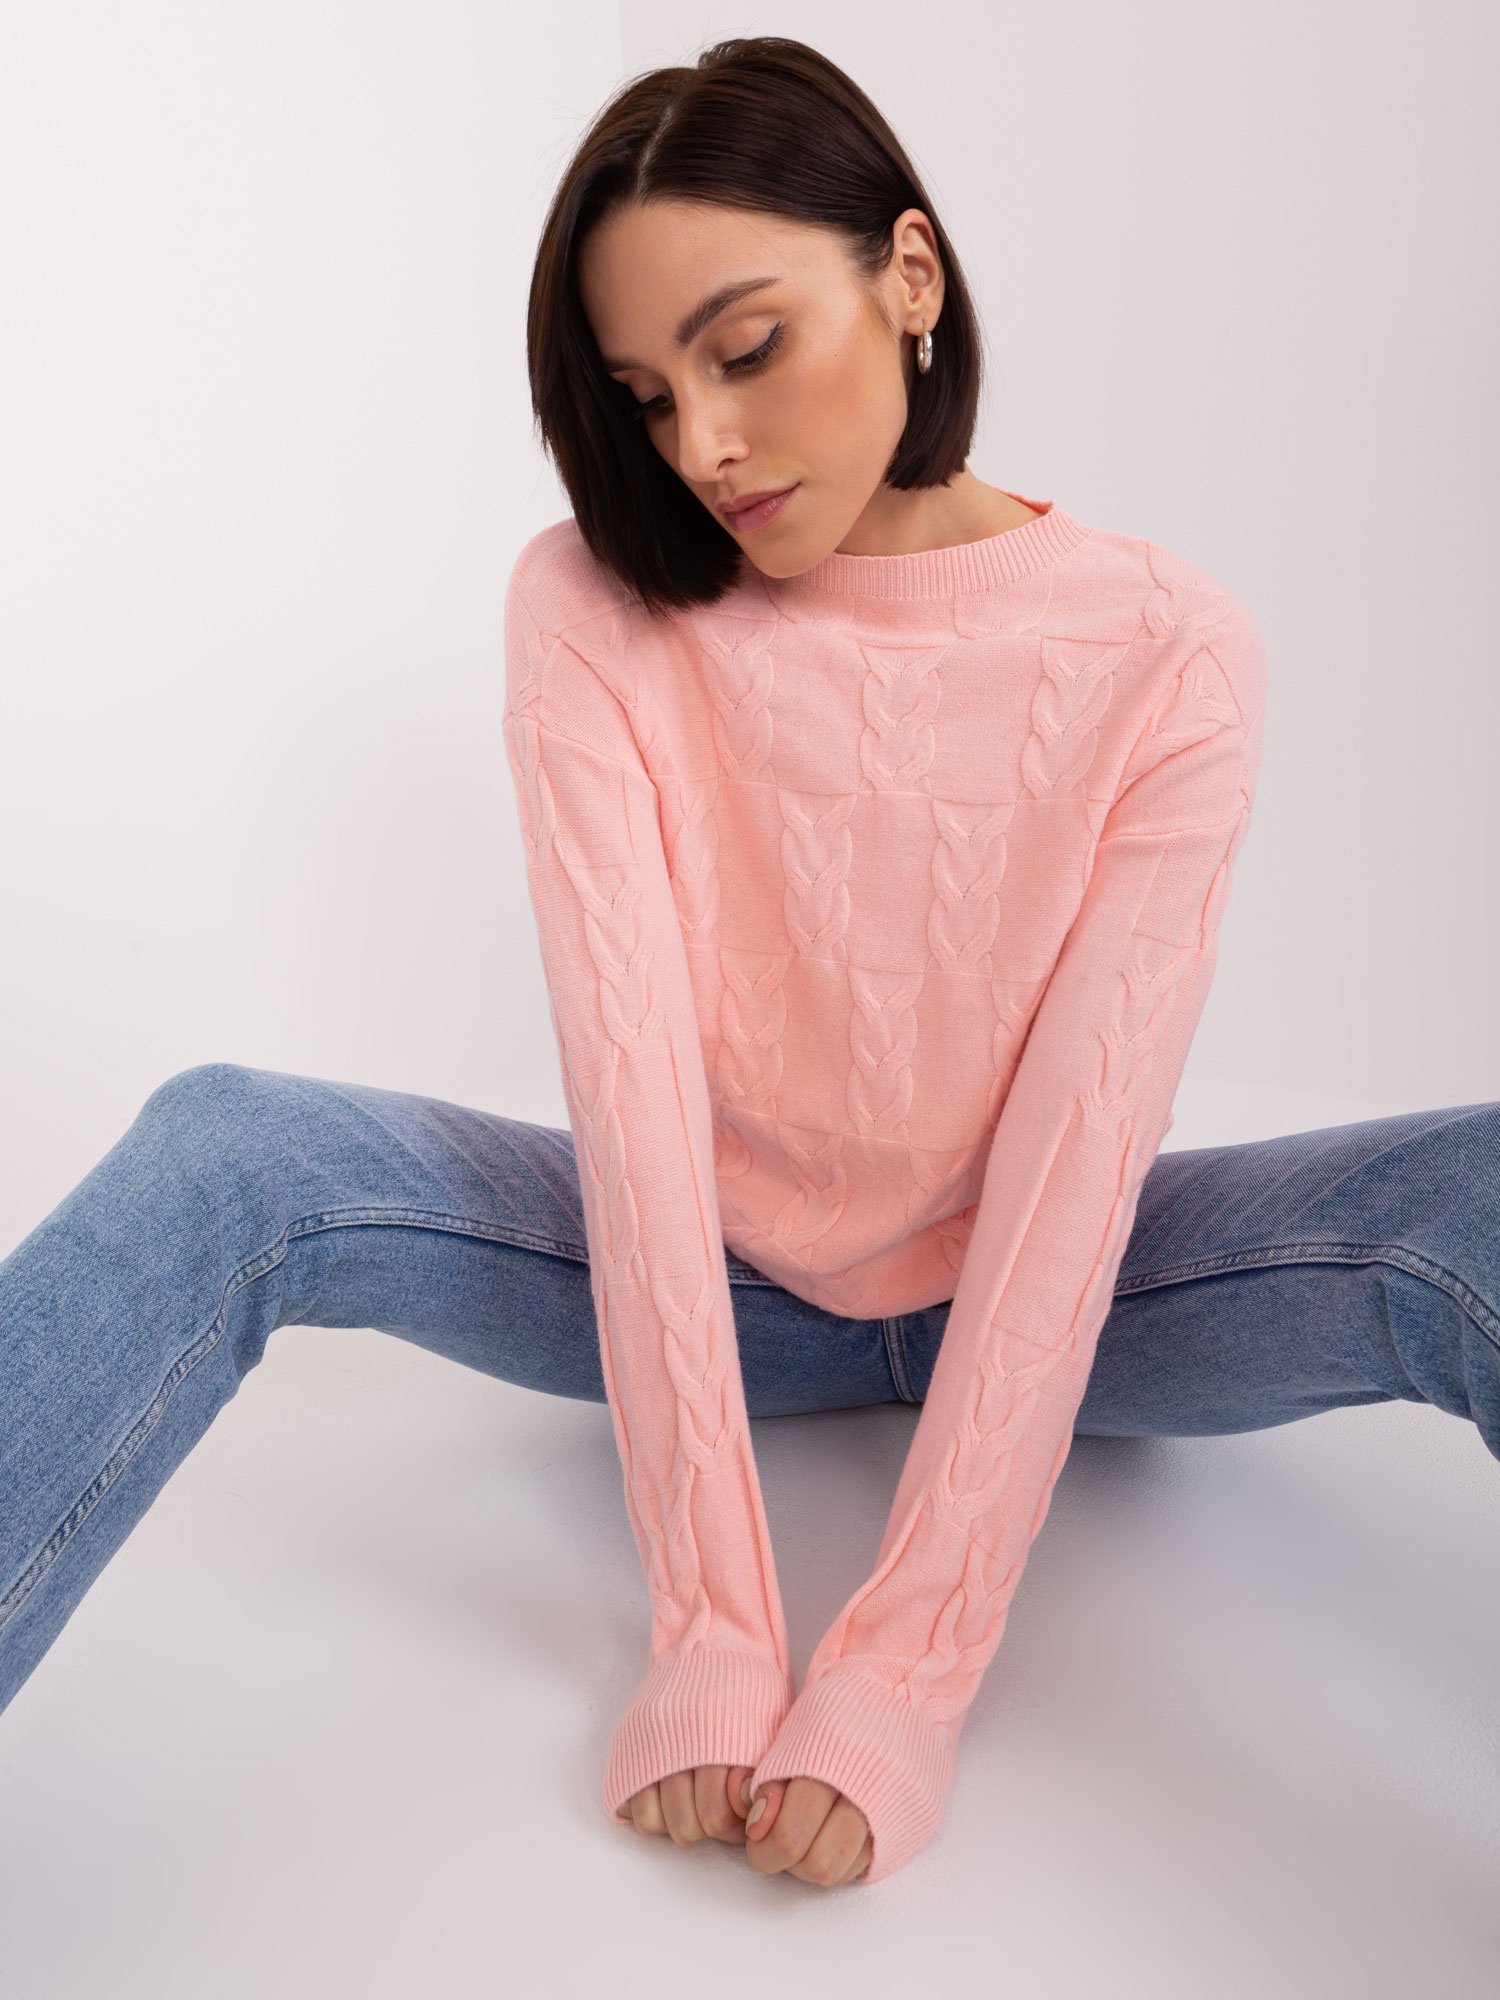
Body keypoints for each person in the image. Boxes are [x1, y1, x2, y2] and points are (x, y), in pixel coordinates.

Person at [2, 36, 1495, 1894]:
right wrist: (714, 1632)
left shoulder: (1172, 647)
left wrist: (901, 1678)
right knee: (236, 1148)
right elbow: (632, 1119)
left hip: (1082, 1282)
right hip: (721, 1273)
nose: (698, 447)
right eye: (642, 395)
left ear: (910, 277)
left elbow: (1077, 1166)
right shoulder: (590, 607)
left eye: (747, 348)